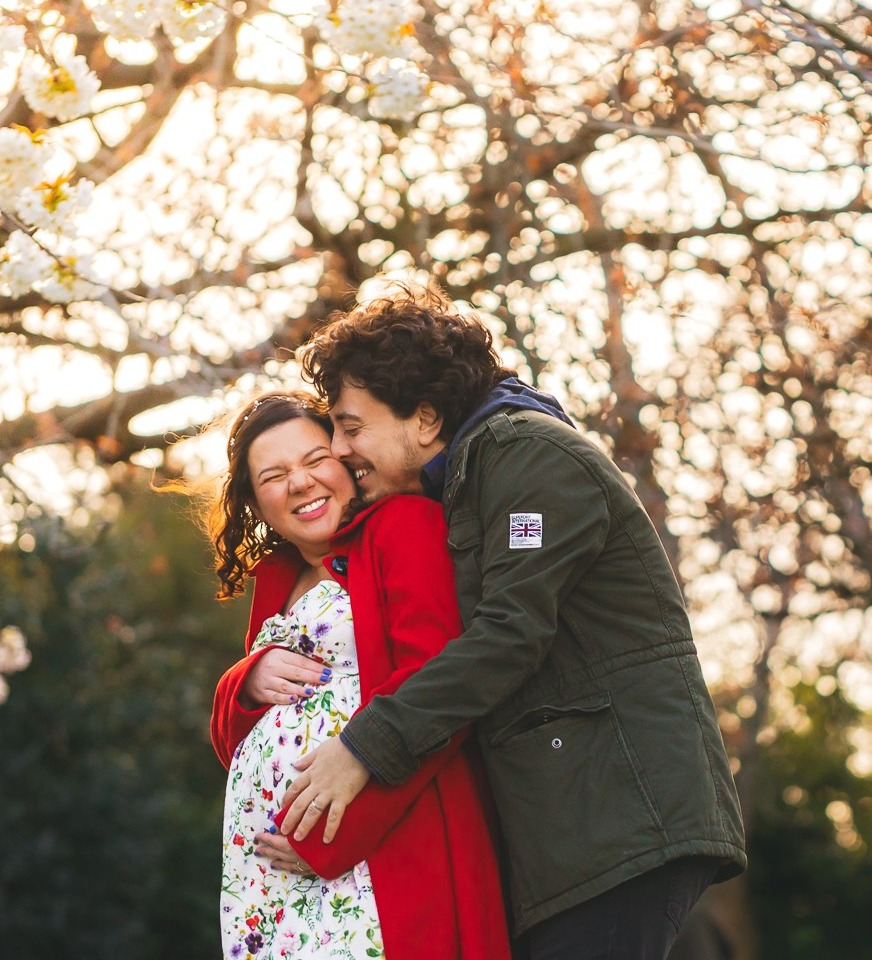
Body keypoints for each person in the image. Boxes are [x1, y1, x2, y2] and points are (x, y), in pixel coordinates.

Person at [272, 290, 747, 960]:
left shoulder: (528, 457)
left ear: (427, 417)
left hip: (622, 818)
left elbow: (508, 635)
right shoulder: (470, 475)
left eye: (352, 426)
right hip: (575, 832)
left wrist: (364, 748)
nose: (341, 447)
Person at [207, 391, 509, 960]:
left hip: (381, 856)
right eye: (275, 475)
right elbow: (231, 745)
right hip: (272, 883)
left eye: (315, 459)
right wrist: (244, 681)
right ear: (254, 500)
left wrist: (335, 839)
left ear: (347, 459)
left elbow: (441, 694)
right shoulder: (277, 578)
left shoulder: (402, 528)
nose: (300, 483)